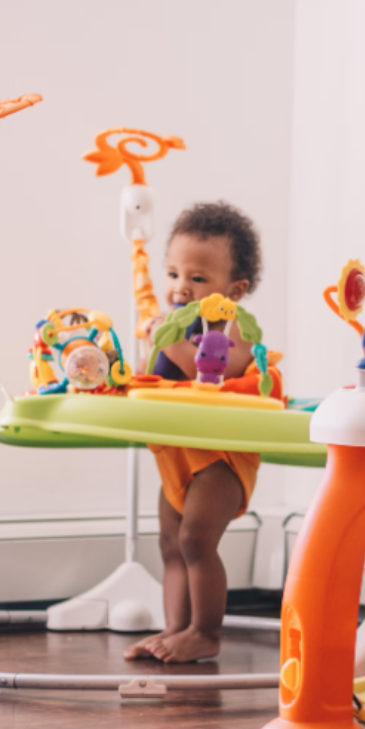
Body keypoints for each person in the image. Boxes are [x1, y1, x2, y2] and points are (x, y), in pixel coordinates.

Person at [125, 202, 263, 664]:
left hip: (220, 459)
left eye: (198, 279)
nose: (180, 287)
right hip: (177, 456)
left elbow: (211, 373)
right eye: (172, 274)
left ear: (234, 289)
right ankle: (174, 630)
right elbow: (147, 377)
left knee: (196, 541)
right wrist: (150, 346)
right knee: (170, 545)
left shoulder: (238, 333)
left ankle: (205, 631)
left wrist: (171, 337)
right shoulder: (171, 325)